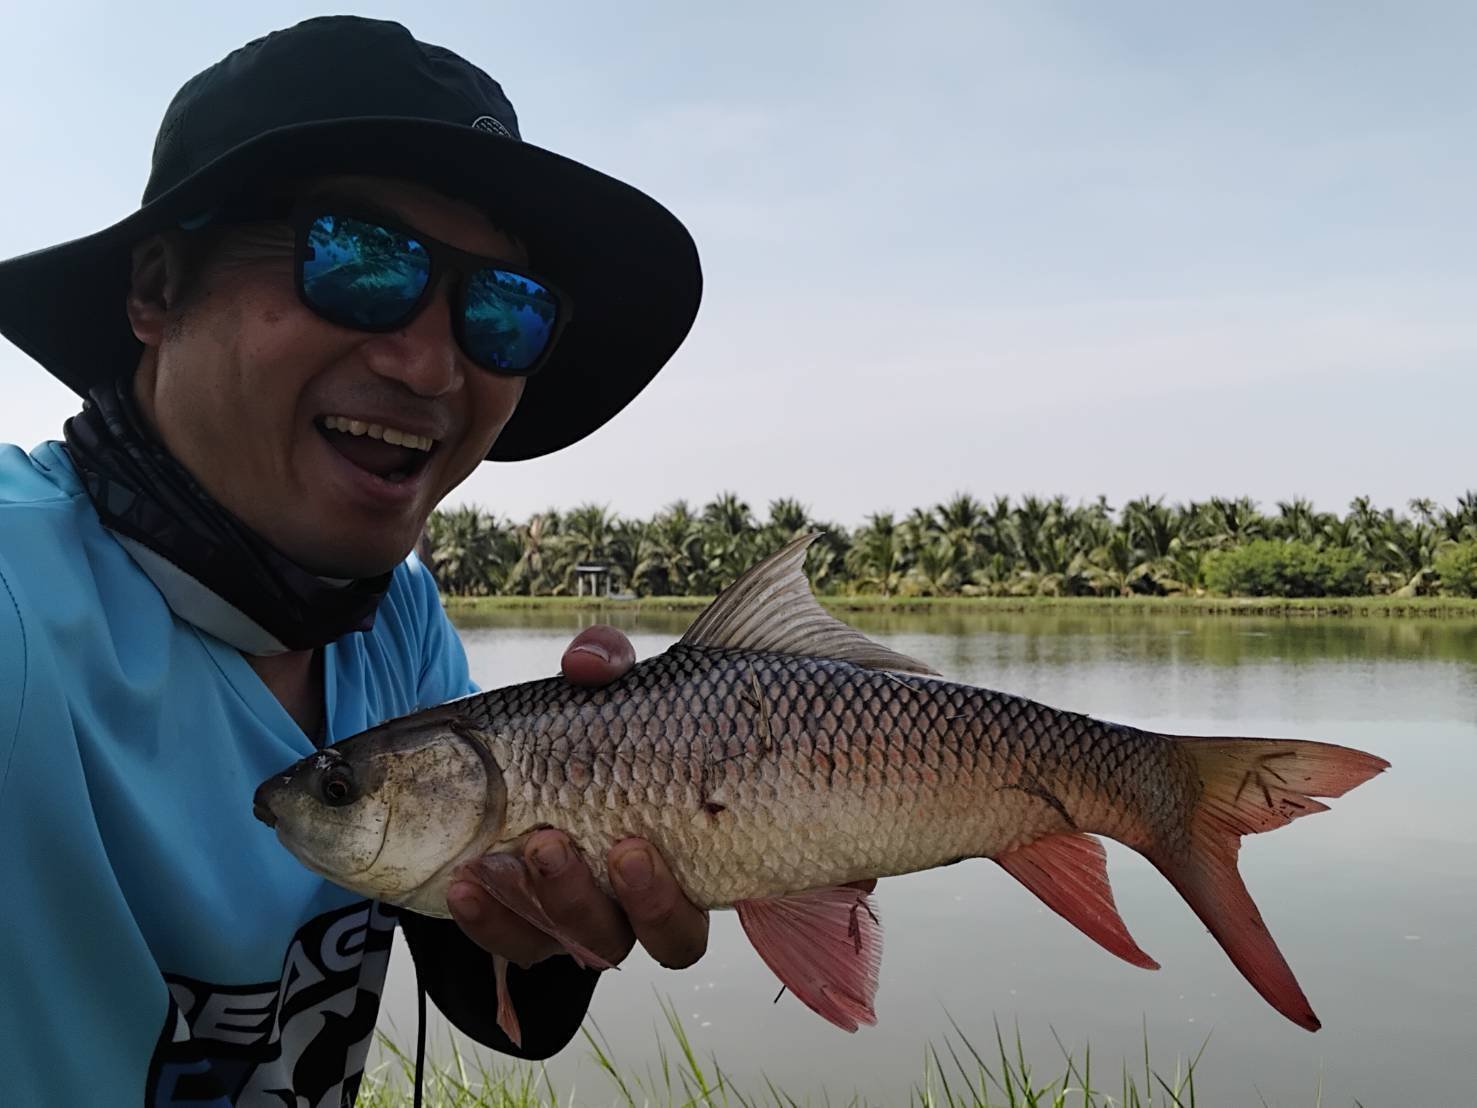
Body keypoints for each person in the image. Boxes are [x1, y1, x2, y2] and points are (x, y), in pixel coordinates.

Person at [0, 16, 708, 1105]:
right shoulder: (19, 594)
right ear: (155, 287)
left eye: (502, 311)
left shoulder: (394, 617)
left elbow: (494, 1001)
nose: (430, 363)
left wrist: (558, 893)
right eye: (361, 261)